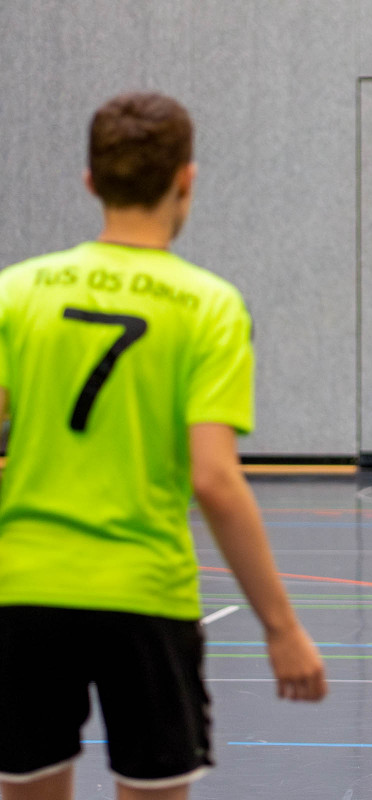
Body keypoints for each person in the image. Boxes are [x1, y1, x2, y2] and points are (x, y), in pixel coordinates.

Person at [0, 92, 327, 800]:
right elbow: (215, 480)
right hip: (146, 594)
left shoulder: (17, 293)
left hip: (24, 590)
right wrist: (281, 627)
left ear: (90, 180)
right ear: (186, 179)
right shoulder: (209, 305)